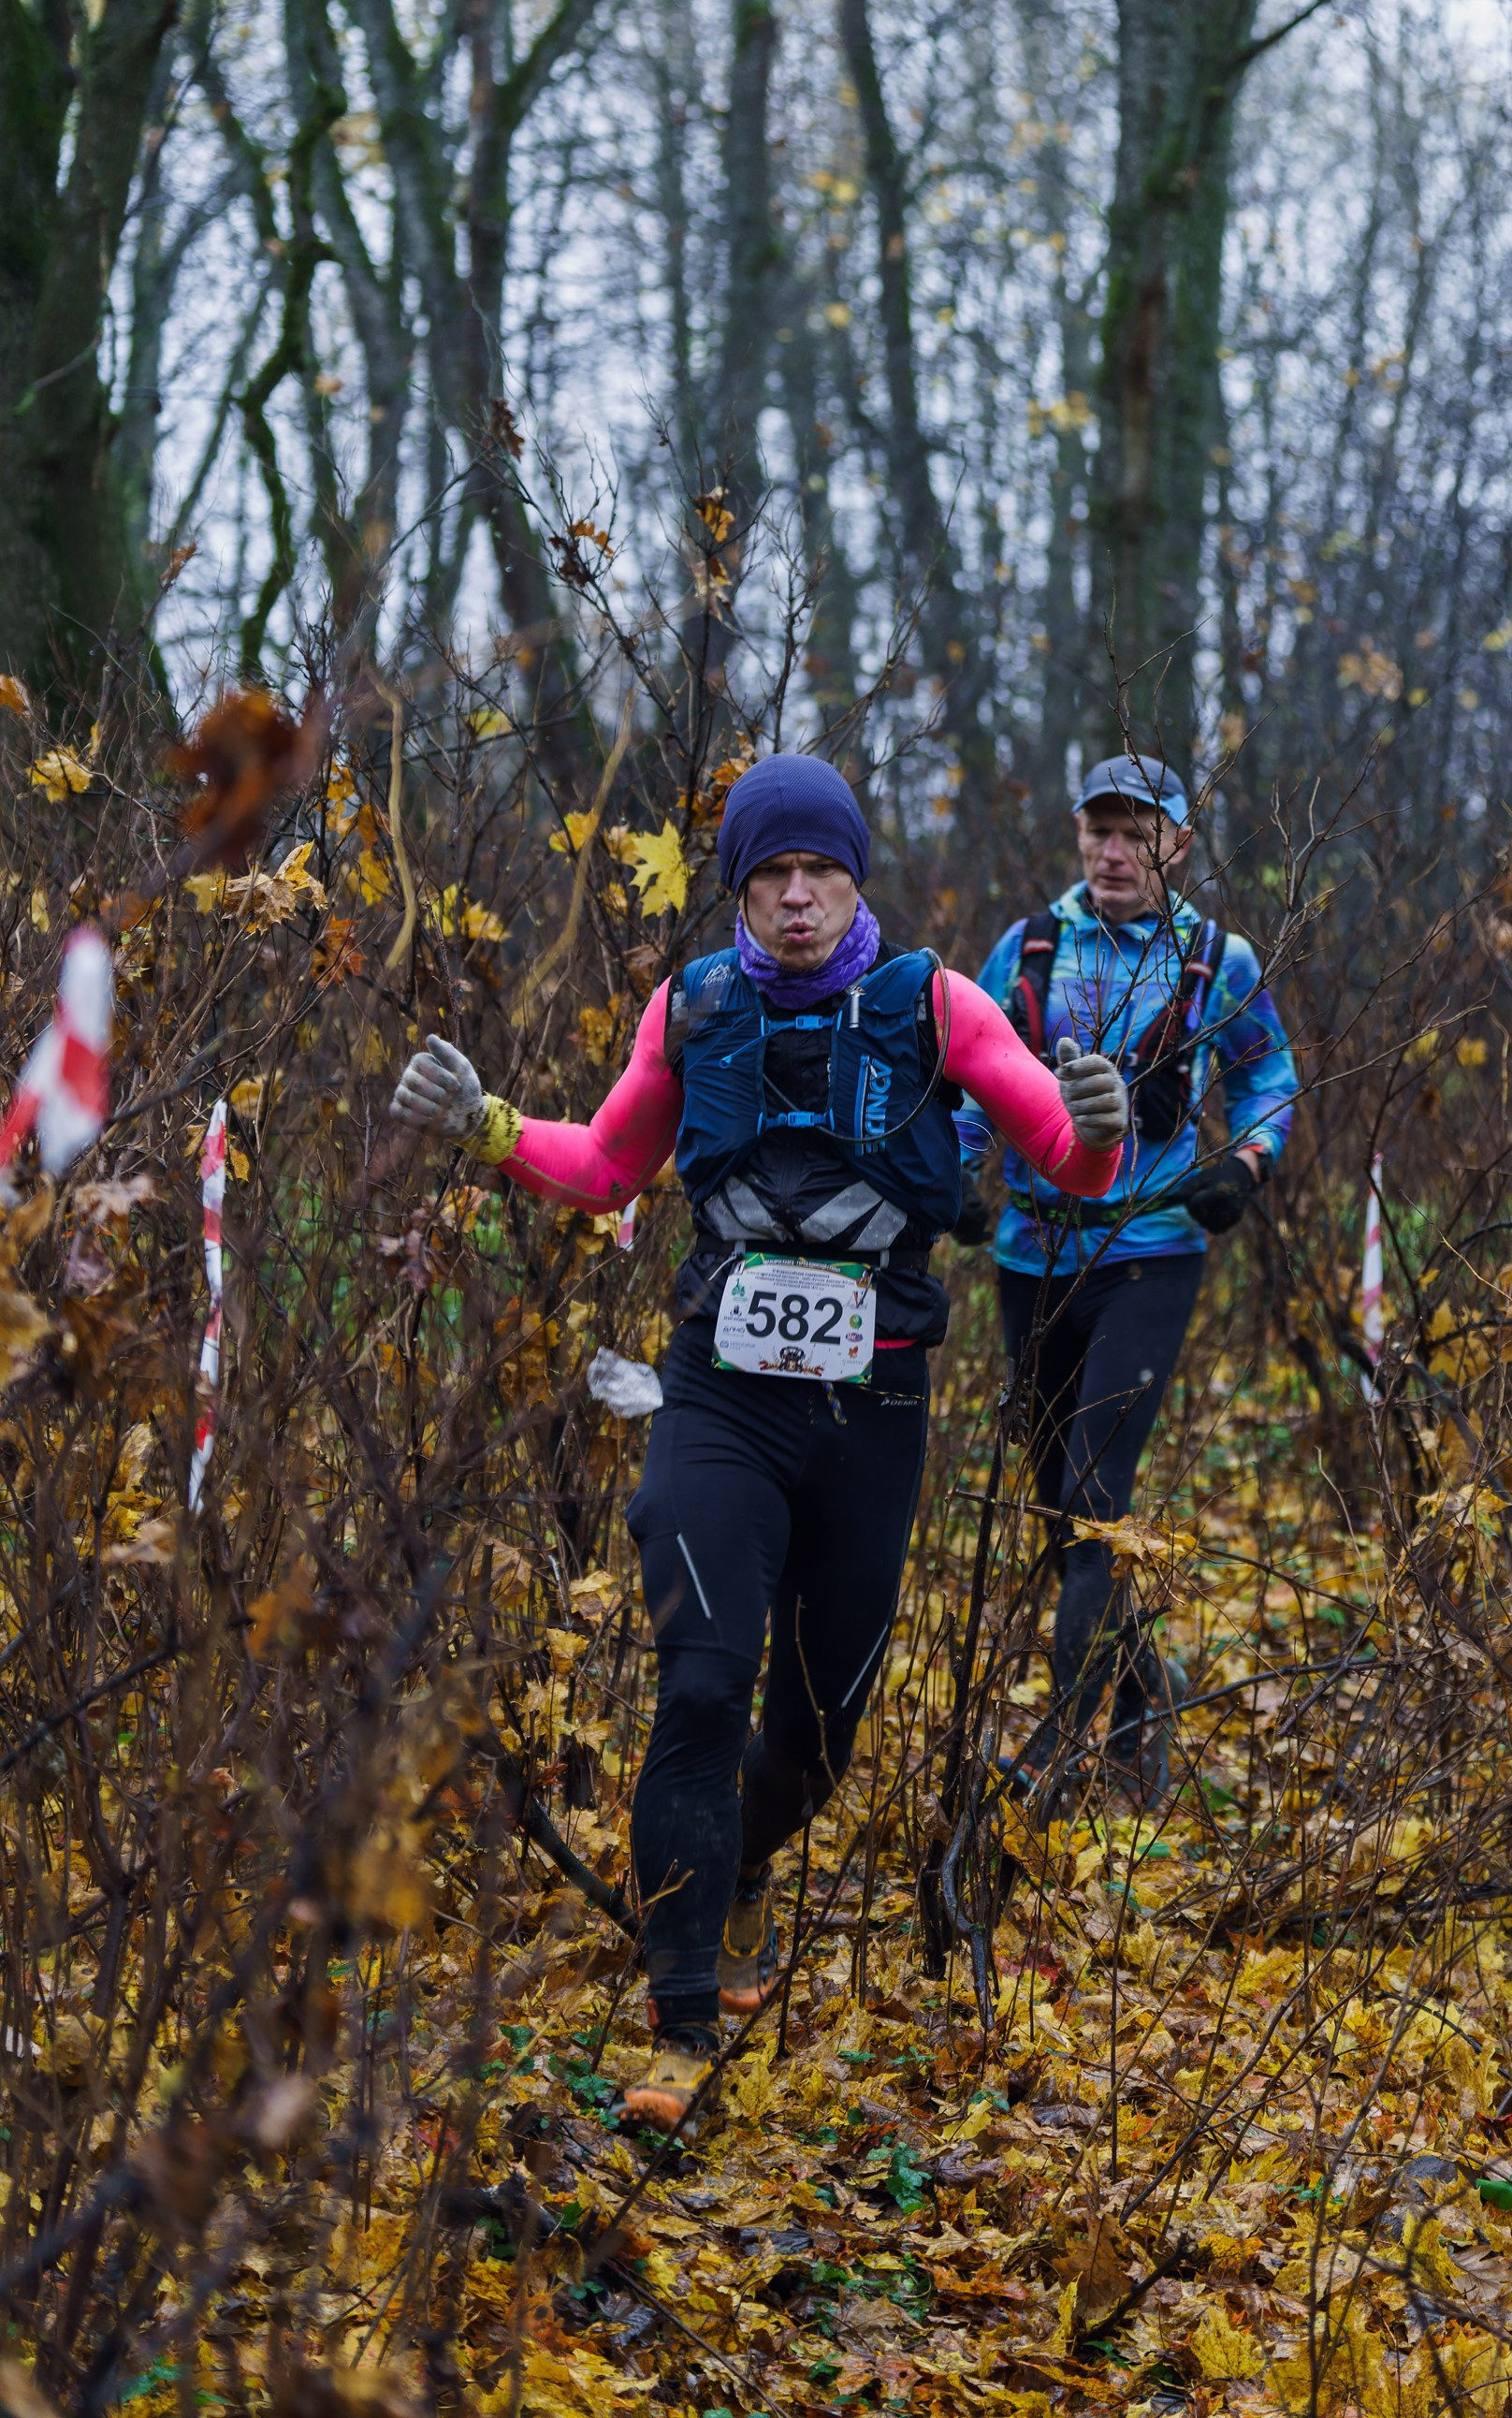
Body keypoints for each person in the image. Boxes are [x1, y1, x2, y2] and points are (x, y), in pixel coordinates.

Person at [390, 753, 1129, 2128]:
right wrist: (487, 1124)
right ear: (740, 888)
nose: (797, 900)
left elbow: (1057, 1151)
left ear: (857, 879)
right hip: (719, 1398)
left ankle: (723, 1879)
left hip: (875, 1411)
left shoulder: (935, 1005)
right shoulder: (693, 1007)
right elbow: (609, 1164)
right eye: (772, 876)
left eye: (822, 873)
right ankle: (678, 2022)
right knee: (700, 1680)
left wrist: (1100, 1135)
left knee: (819, 1734)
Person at [957, 751, 1298, 1807]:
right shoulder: (1027, 947)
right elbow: (970, 1074)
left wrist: (1243, 1166)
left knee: (1097, 1494)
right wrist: (948, 1179)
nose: (1113, 851)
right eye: (1097, 829)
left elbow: (1267, 1078)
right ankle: (1146, 1683)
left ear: (1176, 845)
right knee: (1059, 1506)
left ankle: (1065, 1749)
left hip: (1150, 1254)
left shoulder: (1216, 959)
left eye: (1135, 832)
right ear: (1077, 835)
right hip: (1032, 1253)